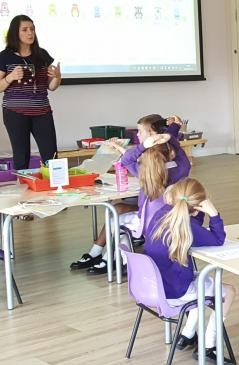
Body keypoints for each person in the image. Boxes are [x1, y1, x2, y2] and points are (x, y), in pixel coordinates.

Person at [70, 114, 188, 274]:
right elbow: (174, 149)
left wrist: (142, 146)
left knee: (115, 216)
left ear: (152, 136)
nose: (137, 135)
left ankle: (110, 258)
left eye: (140, 132)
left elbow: (128, 161)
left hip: (148, 222)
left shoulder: (146, 171)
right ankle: (102, 255)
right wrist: (172, 132)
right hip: (173, 217)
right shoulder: (181, 167)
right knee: (119, 208)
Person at [143, 177, 236, 359]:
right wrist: (214, 214)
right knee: (228, 291)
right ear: (198, 205)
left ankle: (187, 334)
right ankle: (210, 345)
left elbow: (195, 228)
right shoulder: (185, 224)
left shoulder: (161, 214)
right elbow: (217, 240)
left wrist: (195, 213)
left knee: (201, 284)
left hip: (154, 286)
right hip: (175, 291)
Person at [0, 14, 62, 170]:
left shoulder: (42, 55)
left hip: (42, 112)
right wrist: (10, 77)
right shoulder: (5, 56)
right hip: (15, 113)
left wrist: (57, 77)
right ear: (15, 33)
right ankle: (23, 190)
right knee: (21, 155)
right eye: (25, 29)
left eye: (32, 29)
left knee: (51, 154)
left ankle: (55, 188)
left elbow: (52, 86)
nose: (30, 33)